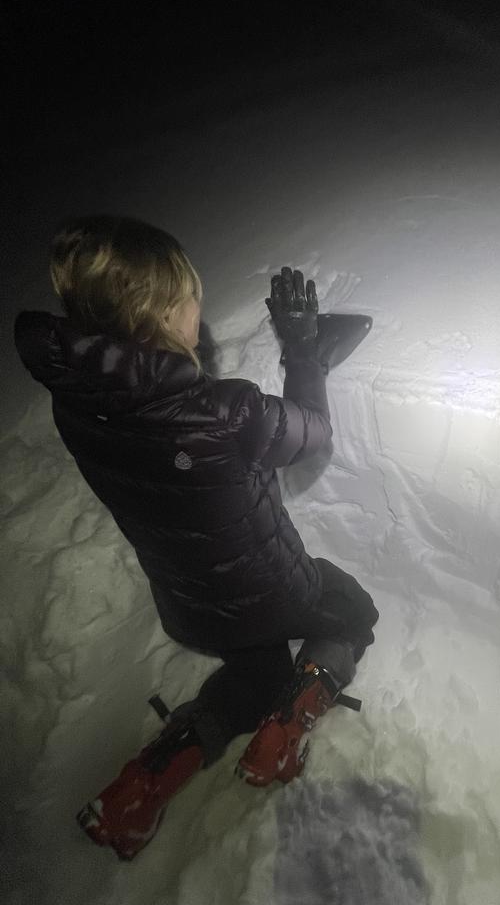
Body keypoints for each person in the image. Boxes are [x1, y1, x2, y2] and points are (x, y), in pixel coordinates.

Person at [14, 215, 378, 860]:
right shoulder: (223, 411)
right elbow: (312, 430)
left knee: (256, 672)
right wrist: (302, 349)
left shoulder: (72, 402)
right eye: (189, 301)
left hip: (188, 606)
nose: (198, 313)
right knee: (352, 610)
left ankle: (155, 773)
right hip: (276, 591)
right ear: (158, 315)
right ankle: (289, 724)